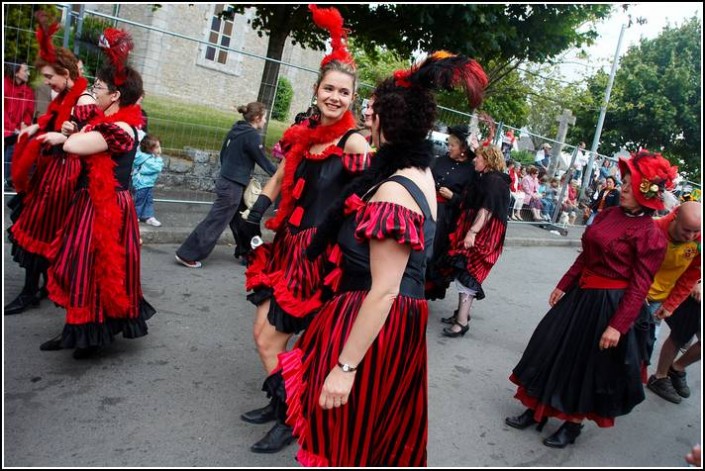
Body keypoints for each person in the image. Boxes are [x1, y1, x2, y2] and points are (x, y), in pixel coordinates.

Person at [272, 50, 487, 466]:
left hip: (374, 320)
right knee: (368, 434)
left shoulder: (395, 189)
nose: (366, 121)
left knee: (346, 432)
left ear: (385, 121)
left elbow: (385, 290)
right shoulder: (415, 173)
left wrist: (346, 368)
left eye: (371, 113)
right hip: (386, 319)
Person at [241, 5, 370, 453]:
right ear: (316, 90)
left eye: (344, 92)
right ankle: (283, 398)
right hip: (286, 247)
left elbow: (364, 197)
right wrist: (256, 212)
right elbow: (282, 175)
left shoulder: (355, 142)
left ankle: (289, 415)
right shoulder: (308, 131)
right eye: (329, 88)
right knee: (263, 335)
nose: (335, 97)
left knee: (275, 339)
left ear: (354, 98)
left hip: (316, 257)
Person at [506, 151, 677, 448]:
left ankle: (572, 426)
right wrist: (564, 284)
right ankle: (536, 411)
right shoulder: (610, 213)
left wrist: (617, 326)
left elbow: (639, 286)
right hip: (580, 295)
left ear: (645, 192)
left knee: (586, 367)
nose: (622, 189)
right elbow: (587, 255)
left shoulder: (651, 235)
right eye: (623, 183)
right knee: (550, 348)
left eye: (628, 184)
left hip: (608, 306)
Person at [38, 27, 155, 359]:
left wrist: (71, 131)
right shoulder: (105, 123)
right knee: (78, 265)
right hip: (90, 201)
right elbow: (79, 136)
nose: (93, 91)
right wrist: (72, 127)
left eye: (99, 88)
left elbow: (75, 146)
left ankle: (89, 334)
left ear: (115, 95)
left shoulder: (120, 128)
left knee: (93, 269)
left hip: (108, 207)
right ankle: (78, 330)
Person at [5, 14, 97, 316]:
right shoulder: (66, 95)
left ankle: (32, 291)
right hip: (52, 169)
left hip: (64, 175)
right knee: (37, 228)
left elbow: (88, 136)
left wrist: (64, 133)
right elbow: (53, 122)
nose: (46, 83)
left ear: (65, 73)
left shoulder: (82, 98)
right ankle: (39, 286)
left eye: (49, 77)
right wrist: (37, 129)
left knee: (39, 229)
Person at [174, 102, 276, 268]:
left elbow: (224, 154)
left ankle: (247, 254)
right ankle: (187, 254)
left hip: (228, 181)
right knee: (216, 221)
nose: (265, 121)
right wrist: (280, 176)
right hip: (232, 186)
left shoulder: (236, 129)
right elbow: (262, 160)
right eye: (264, 117)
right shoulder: (252, 135)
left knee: (240, 220)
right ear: (257, 118)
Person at [437, 144, 510, 336]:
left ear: (488, 160)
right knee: (463, 270)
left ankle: (461, 322)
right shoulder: (486, 178)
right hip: (478, 230)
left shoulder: (494, 181)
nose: (475, 160)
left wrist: (473, 232)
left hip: (484, 234)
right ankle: (461, 314)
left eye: (478, 157)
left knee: (467, 271)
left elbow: (487, 210)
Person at [643, 200, 701, 403]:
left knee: (644, 343)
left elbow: (690, 276)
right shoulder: (653, 228)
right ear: (675, 218)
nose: (691, 236)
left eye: (696, 232)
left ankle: (673, 370)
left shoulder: (698, 241)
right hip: (635, 294)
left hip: (659, 300)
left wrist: (671, 304)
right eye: (687, 230)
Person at [425, 124, 476, 300]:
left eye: (452, 145)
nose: (449, 148)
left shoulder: (470, 171)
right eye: (449, 144)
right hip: (428, 208)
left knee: (435, 250)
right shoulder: (440, 161)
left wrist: (453, 196)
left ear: (463, 149)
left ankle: (426, 288)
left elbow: (470, 201)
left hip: (447, 218)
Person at [4, 62, 35, 188]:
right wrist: (12, 128)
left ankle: (13, 177)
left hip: (16, 130)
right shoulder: (4, 85)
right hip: (7, 128)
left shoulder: (28, 91)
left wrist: (25, 124)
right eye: (26, 70)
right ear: (16, 72)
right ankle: (6, 177)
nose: (28, 73)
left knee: (27, 141)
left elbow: (28, 113)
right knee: (13, 140)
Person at [132, 134, 164, 227]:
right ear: (148, 149)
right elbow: (157, 167)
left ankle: (148, 216)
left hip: (148, 184)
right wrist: (158, 158)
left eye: (159, 146)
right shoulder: (148, 160)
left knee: (148, 200)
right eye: (156, 147)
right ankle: (135, 217)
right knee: (140, 201)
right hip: (142, 184)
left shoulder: (147, 157)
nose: (159, 149)